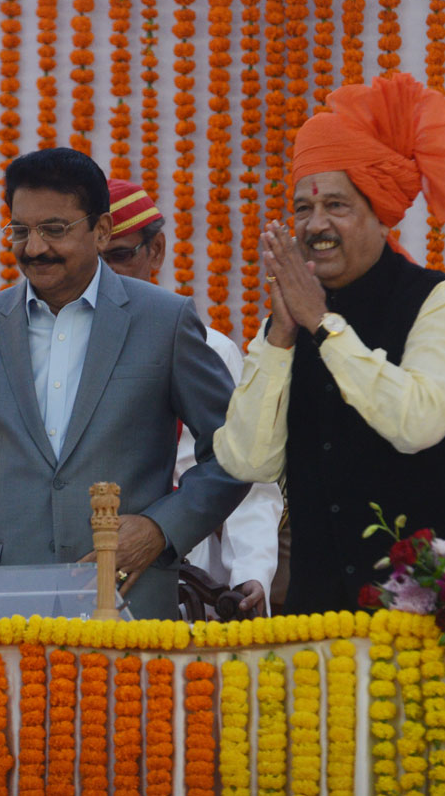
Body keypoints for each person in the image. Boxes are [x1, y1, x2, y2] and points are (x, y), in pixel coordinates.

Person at [213, 72, 445, 614]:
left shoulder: (444, 302)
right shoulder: (292, 318)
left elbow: (415, 423)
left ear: (381, 214)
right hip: (323, 622)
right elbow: (247, 461)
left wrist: (323, 327)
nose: (315, 225)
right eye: (303, 208)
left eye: (337, 205)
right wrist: (282, 337)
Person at [0, 147, 249, 620]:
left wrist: (159, 529)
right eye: (21, 231)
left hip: (127, 595)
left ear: (102, 230)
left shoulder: (164, 321)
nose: (34, 248)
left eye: (54, 230)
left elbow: (234, 455)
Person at [104, 179, 282, 615]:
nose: (105, 274)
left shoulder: (210, 348)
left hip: (185, 571)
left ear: (157, 251)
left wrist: (251, 569)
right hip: (84, 565)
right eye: (93, 260)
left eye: (120, 256)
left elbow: (245, 472)